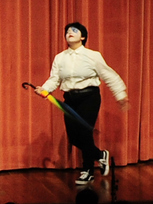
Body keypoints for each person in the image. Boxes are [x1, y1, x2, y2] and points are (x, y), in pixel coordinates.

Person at [36, 22, 129, 188]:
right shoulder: (60, 57)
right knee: (73, 137)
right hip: (70, 100)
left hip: (89, 98)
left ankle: (88, 170)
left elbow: (109, 76)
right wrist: (44, 89)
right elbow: (55, 79)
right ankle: (100, 155)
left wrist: (121, 95)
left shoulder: (93, 56)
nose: (69, 33)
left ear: (83, 36)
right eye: (67, 31)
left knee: (85, 134)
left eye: (74, 30)